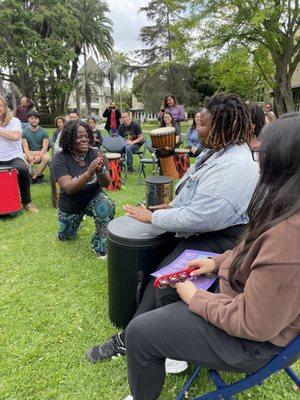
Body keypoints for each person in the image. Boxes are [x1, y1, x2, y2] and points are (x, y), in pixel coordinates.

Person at [123, 112, 300, 400]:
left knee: (139, 333)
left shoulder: (290, 241)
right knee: (171, 285)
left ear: (283, 162)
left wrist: (196, 297)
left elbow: (253, 323)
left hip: (250, 342)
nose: (257, 155)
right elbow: (252, 252)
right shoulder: (284, 205)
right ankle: (175, 353)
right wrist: (215, 262)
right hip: (238, 296)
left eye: (263, 151)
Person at [86, 93, 259, 362]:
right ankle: (137, 332)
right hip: (205, 231)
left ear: (220, 127)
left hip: (220, 240)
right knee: (159, 271)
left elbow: (199, 217)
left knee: (164, 280)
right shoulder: (219, 152)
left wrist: (152, 218)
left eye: (202, 124)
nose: (197, 128)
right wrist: (164, 209)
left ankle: (131, 340)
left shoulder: (234, 166)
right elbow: (192, 197)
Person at [51, 120, 115, 259]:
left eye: (86, 136)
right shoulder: (59, 159)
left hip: (93, 198)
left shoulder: (96, 153)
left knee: (106, 205)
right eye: (79, 137)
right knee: (66, 237)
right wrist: (89, 172)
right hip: (71, 205)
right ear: (69, 139)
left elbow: (106, 183)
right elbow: (69, 188)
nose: (84, 139)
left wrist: (100, 171)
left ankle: (100, 245)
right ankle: (76, 223)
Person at [0, 95, 38, 213]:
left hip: (14, 157)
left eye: (0, 105)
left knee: (23, 170)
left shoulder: (14, 121)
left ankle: (27, 202)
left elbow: (15, 137)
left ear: (5, 107)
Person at [22, 110, 51, 184]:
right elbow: (25, 148)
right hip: (30, 152)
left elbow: (45, 147)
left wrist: (39, 156)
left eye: (36, 118)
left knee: (47, 157)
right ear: (28, 119)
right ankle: (37, 175)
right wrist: (29, 156)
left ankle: (34, 178)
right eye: (32, 118)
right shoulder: (24, 132)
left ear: (38, 120)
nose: (34, 120)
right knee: (21, 158)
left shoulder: (44, 131)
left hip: (41, 152)